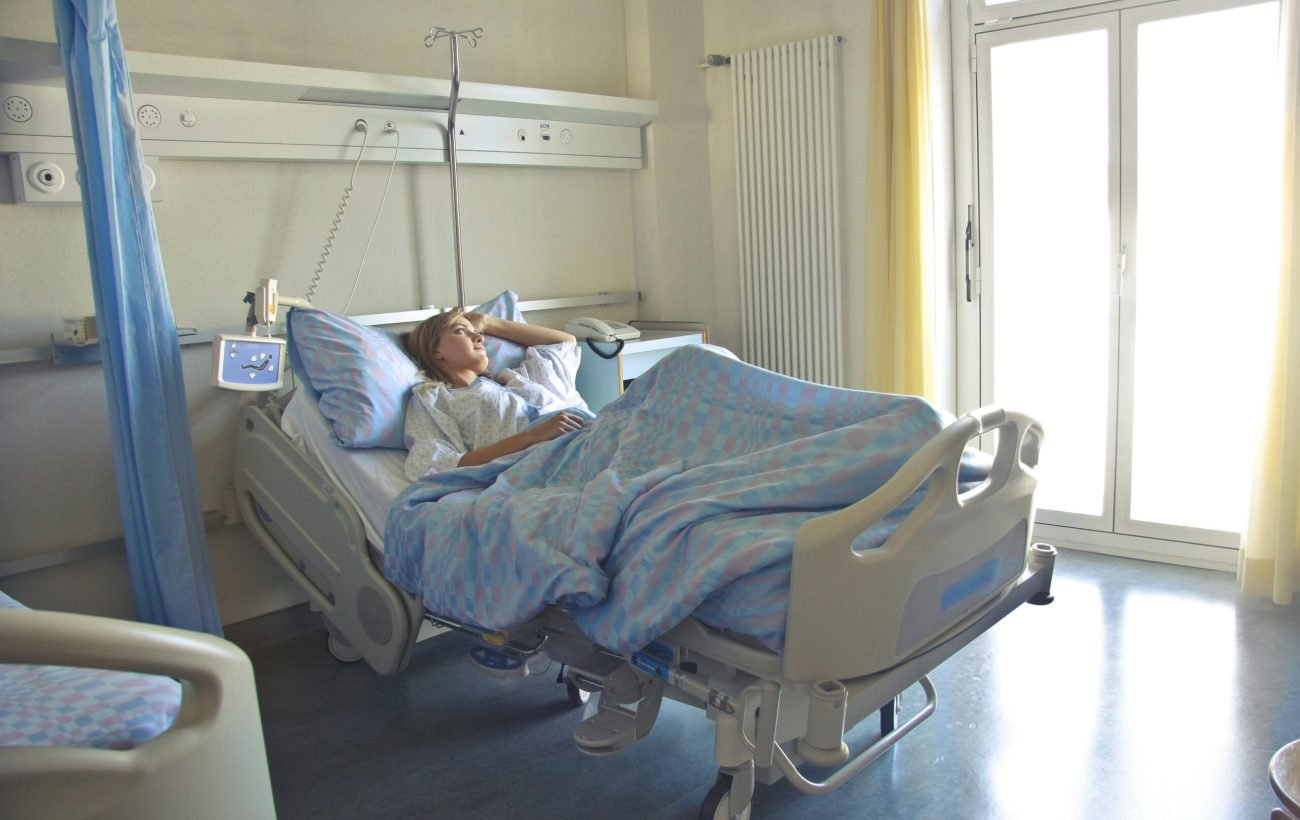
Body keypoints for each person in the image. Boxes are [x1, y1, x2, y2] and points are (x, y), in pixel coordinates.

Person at [399, 308, 590, 480]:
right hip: (550, 466)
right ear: (435, 350)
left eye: (478, 332)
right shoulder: (433, 399)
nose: (479, 337)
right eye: (460, 331)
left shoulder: (516, 379)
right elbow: (431, 464)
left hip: (588, 440)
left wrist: (487, 322)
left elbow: (564, 342)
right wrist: (530, 437)